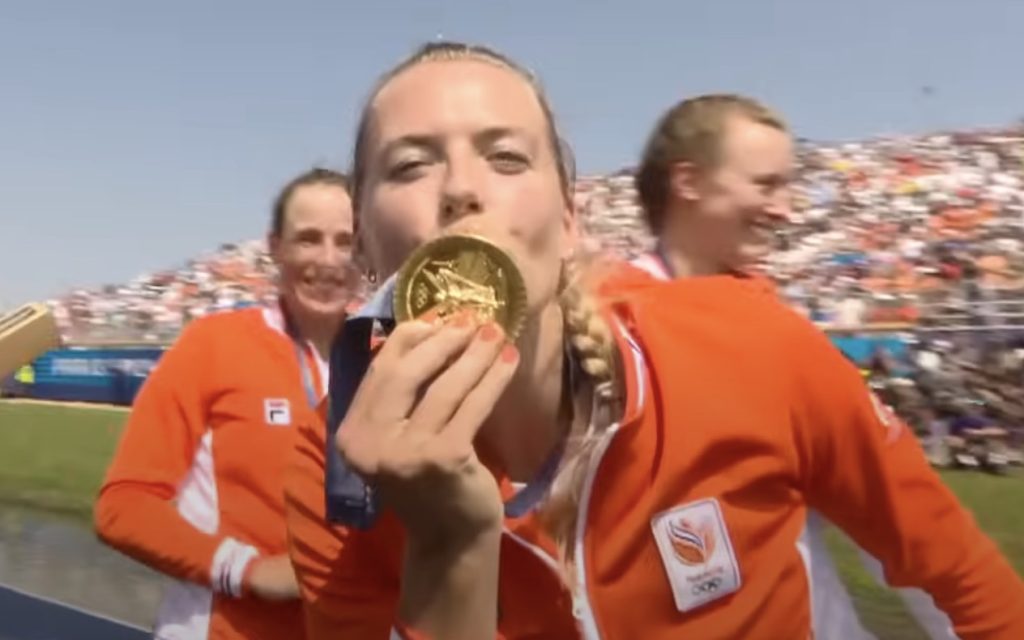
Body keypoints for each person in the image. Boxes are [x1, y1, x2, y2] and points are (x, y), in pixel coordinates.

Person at [283, 42, 1024, 639]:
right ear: (369, 245)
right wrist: (449, 553)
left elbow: (963, 587)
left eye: (506, 157)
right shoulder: (336, 470)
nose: (461, 189)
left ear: (569, 222)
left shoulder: (753, 343)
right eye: (411, 164)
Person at [631, 93, 961, 639]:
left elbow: (896, 528)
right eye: (766, 184)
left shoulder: (779, 333)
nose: (787, 208)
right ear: (687, 182)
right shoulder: (609, 336)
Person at [94, 167, 356, 640]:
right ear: (276, 248)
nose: (329, 259)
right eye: (309, 239)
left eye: (346, 240)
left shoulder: (382, 355)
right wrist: (250, 570)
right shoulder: (212, 344)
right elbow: (123, 506)